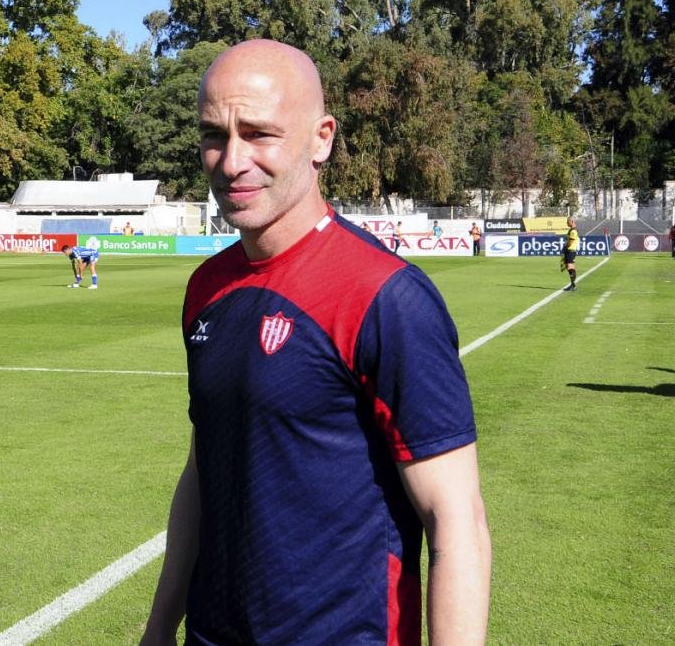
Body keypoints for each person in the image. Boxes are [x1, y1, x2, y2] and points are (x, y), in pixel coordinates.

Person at [142, 39, 490, 645]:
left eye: (259, 134)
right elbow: (203, 470)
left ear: (321, 139)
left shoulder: (386, 296)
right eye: (214, 135)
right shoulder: (207, 287)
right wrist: (157, 631)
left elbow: (456, 522)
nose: (232, 161)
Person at [561, 216, 580, 291]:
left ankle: (573, 285)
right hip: (570, 251)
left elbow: (571, 242)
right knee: (569, 267)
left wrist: (565, 248)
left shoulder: (573, 231)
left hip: (570, 251)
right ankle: (573, 285)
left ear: (572, 221)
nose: (567, 223)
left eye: (568, 221)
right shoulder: (571, 230)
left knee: (570, 267)